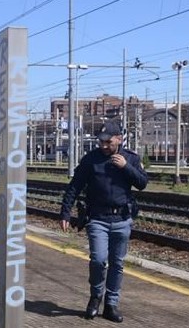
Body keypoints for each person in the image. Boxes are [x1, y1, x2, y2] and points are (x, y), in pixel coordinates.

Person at [59, 120, 148, 323]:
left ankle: (111, 304)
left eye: (108, 142)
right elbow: (75, 186)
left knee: (117, 264)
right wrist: (65, 212)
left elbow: (142, 183)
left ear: (119, 139)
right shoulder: (91, 160)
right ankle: (95, 297)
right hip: (98, 218)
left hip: (122, 219)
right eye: (101, 142)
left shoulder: (130, 159)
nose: (104, 145)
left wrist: (126, 167)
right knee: (98, 260)